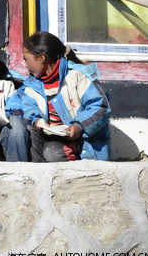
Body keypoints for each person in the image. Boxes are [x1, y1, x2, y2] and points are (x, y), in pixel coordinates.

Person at [21, 31, 111, 161]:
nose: (25, 64)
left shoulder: (77, 76)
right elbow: (29, 107)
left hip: (81, 140)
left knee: (52, 153)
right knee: (28, 133)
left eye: (26, 59)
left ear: (41, 57)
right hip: (51, 138)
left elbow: (100, 106)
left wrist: (79, 126)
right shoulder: (31, 84)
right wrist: (37, 121)